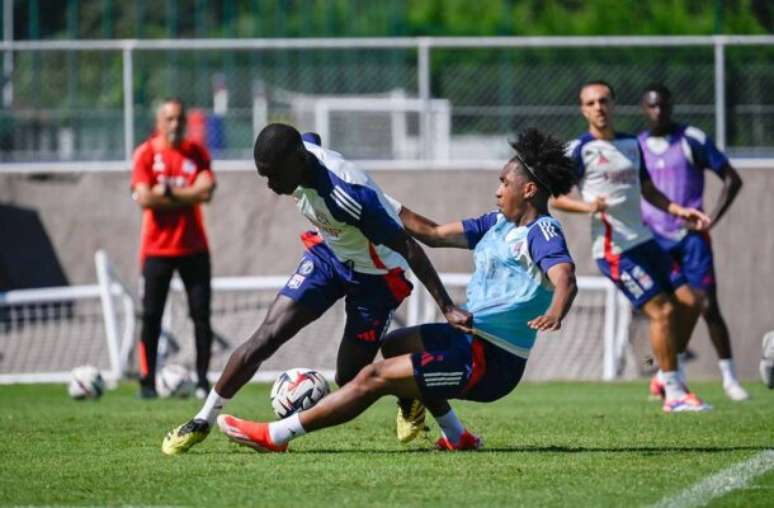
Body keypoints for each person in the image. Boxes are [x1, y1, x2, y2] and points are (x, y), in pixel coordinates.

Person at [214, 128, 578, 452]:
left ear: (528, 189)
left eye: (504, 183)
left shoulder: (541, 232)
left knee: (375, 376)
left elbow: (565, 276)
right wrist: (372, 199)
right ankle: (456, 435)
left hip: (492, 363)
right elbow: (432, 234)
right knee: (394, 344)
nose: (497, 191)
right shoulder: (495, 224)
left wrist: (556, 311)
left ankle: (275, 435)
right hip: (468, 340)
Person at [161, 123, 471, 455]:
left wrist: (446, 306)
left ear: (298, 161)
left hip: (376, 276)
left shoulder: (347, 196)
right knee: (267, 335)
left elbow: (409, 248)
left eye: (273, 175)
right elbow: (311, 139)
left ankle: (409, 395)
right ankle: (202, 419)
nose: (270, 185)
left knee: (350, 377)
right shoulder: (300, 156)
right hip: (329, 257)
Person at [552, 80, 712, 413]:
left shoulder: (630, 143)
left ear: (613, 104)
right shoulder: (580, 149)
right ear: (583, 109)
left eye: (604, 100)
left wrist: (679, 210)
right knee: (662, 311)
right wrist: (587, 206)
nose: (599, 107)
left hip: (645, 241)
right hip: (615, 250)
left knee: (691, 301)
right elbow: (557, 197)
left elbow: (648, 188)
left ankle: (666, 374)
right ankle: (674, 392)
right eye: (591, 103)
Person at [638, 83, 747, 401]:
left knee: (708, 306)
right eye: (651, 106)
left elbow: (732, 178)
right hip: (654, 240)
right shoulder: (638, 146)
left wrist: (711, 217)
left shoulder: (692, 139)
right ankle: (671, 377)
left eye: (663, 105)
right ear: (644, 109)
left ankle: (730, 378)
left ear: (671, 106)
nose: (658, 111)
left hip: (691, 239)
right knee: (666, 310)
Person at [130, 98, 216, 400]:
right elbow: (144, 198)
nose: (175, 124)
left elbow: (206, 191)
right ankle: (147, 382)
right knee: (151, 316)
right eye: (169, 119)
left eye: (180, 118)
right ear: (159, 122)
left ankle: (203, 381)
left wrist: (165, 191)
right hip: (156, 250)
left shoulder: (197, 153)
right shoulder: (145, 154)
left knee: (201, 316)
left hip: (194, 248)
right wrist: (187, 194)